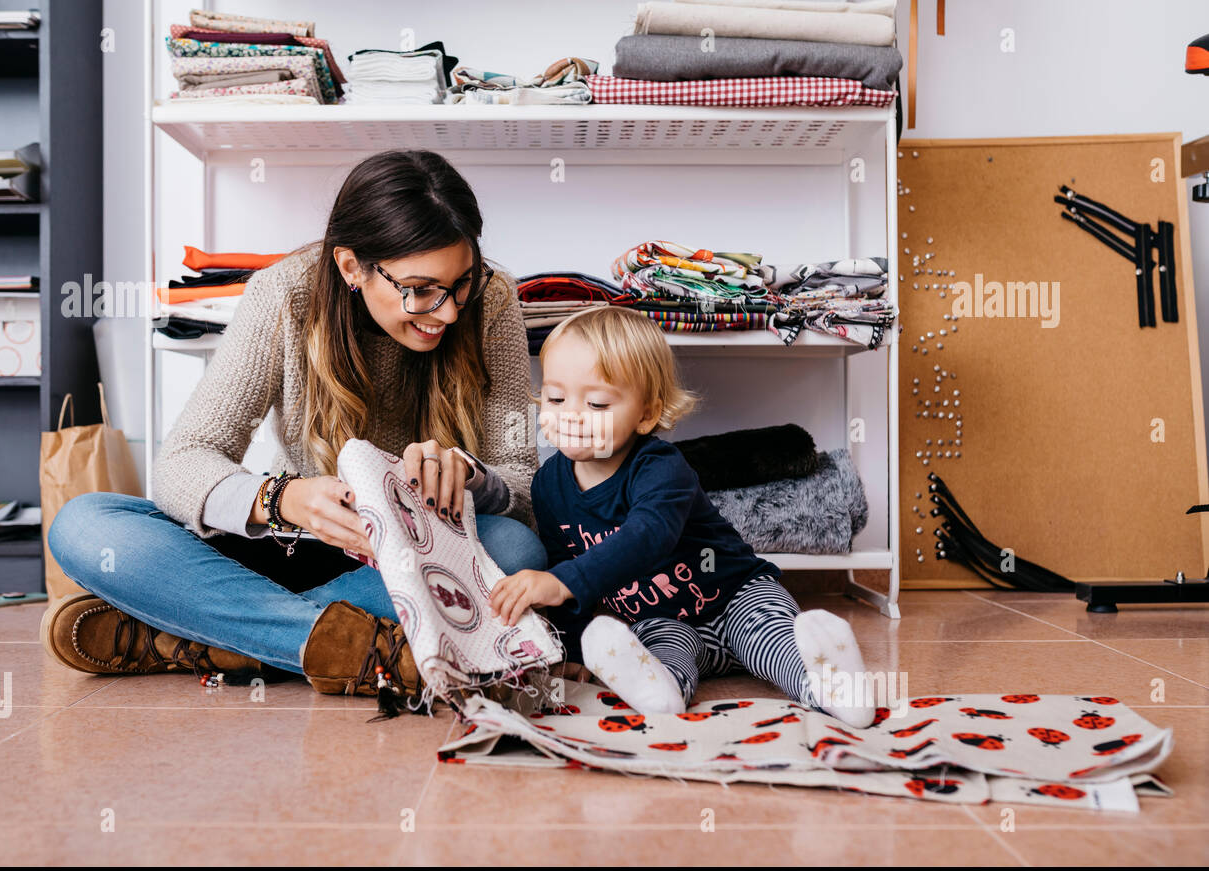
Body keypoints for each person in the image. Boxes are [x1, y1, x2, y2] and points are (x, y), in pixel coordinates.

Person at [43, 149, 547, 697]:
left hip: (402, 562)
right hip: (289, 547)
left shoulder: (492, 302)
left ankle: (210, 638)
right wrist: (280, 499)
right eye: (419, 290)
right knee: (84, 523)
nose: (448, 312)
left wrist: (471, 475)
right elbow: (183, 461)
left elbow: (521, 481)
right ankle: (347, 645)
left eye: (462, 282)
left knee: (516, 549)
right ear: (351, 266)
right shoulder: (284, 294)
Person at [487, 306, 876, 727]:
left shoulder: (660, 466)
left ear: (647, 414)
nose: (571, 415)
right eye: (556, 397)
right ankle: (661, 694)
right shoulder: (549, 485)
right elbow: (563, 564)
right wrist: (575, 650)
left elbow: (650, 533)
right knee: (659, 649)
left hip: (735, 594)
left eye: (597, 402)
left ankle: (833, 685)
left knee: (770, 640)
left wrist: (563, 582)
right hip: (664, 619)